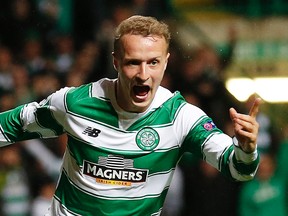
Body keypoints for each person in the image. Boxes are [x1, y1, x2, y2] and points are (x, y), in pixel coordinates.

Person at [0, 15, 261, 216]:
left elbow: (237, 168)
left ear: (166, 62)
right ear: (115, 62)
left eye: (153, 62)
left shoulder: (181, 117)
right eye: (133, 62)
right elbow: (11, 125)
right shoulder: (75, 104)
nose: (143, 74)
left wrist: (246, 148)